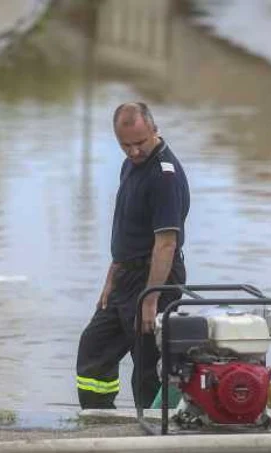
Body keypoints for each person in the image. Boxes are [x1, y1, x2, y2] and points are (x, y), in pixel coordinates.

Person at [76, 102, 190, 409]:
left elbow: (166, 244)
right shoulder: (131, 165)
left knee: (147, 367)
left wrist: (151, 299)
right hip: (125, 277)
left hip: (155, 279)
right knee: (94, 349)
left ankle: (153, 430)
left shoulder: (164, 176)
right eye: (125, 145)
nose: (133, 151)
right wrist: (112, 275)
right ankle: (98, 420)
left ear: (155, 130)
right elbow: (127, 227)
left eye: (140, 143)